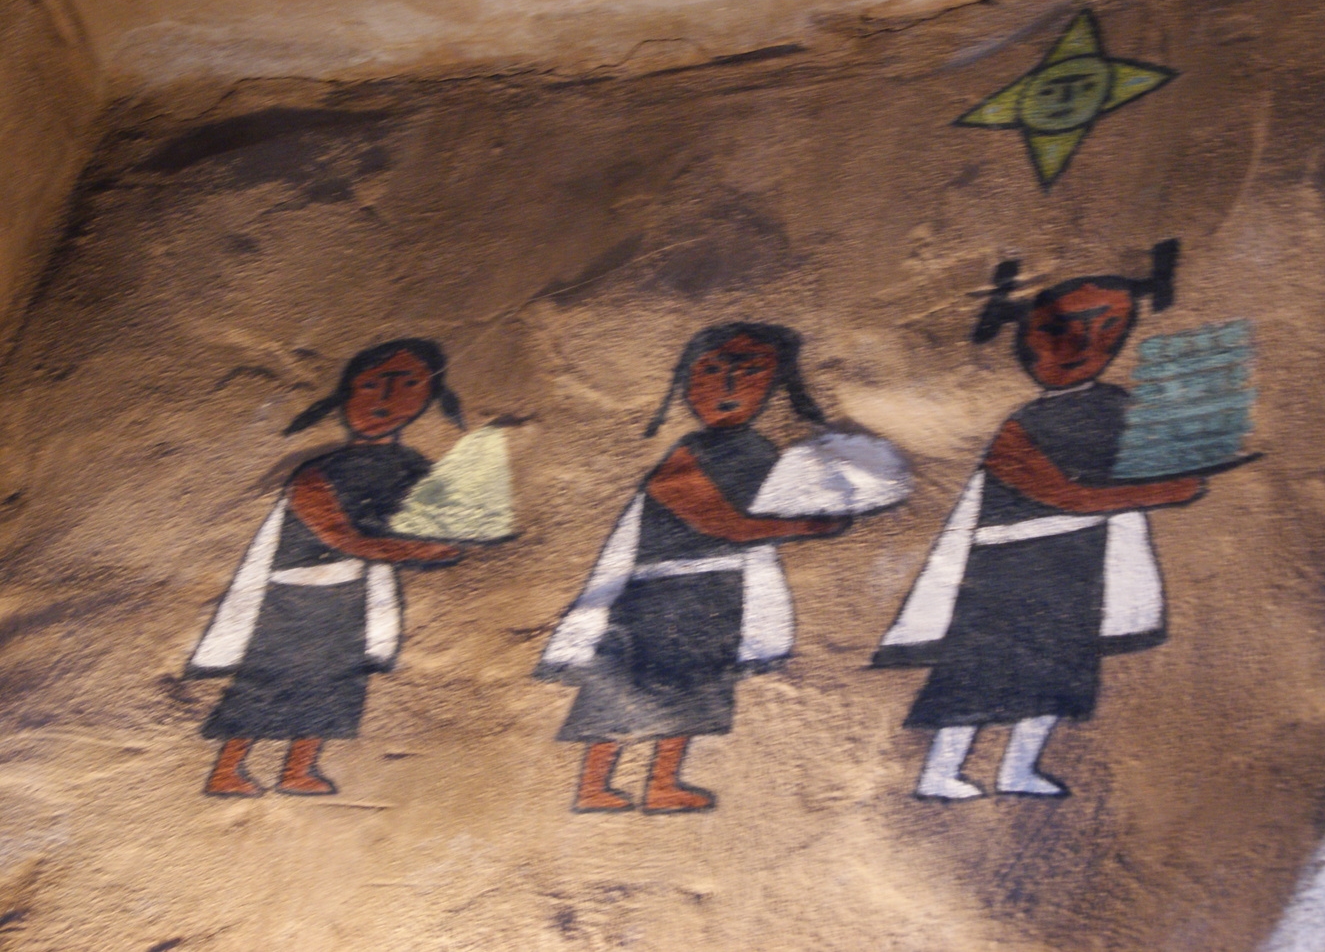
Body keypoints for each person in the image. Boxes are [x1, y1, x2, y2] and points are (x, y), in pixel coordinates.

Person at [873, 242, 1215, 799]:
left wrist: (1180, 472)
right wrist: (1162, 490)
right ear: (1028, 338)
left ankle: (1018, 769)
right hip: (1006, 562)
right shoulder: (1021, 424)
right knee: (982, 669)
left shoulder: (1118, 407)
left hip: (1080, 560)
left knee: (1060, 670)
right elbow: (1062, 493)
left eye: (1106, 330)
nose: (1082, 346)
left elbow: (1153, 461)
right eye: (1061, 330)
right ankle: (940, 772)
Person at [537, 323, 846, 813]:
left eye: (751, 372)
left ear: (776, 382)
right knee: (620, 686)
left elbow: (774, 505)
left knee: (696, 688)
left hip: (721, 591)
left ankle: (661, 784)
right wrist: (804, 526)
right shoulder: (689, 453)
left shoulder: (760, 451)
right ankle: (595, 784)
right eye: (712, 370)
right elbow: (718, 520)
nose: (729, 386)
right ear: (687, 379)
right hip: (658, 594)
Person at [186, 339, 467, 796]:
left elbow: (443, 518)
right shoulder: (316, 472)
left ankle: (297, 769)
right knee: (267, 681)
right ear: (346, 393)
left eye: (408, 385)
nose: (385, 400)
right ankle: (227, 768)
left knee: (334, 685)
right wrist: (414, 550)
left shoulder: (413, 466)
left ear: (429, 396)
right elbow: (340, 535)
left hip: (350, 595)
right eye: (372, 385)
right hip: (292, 599)